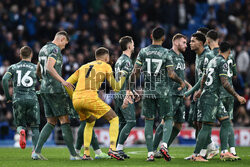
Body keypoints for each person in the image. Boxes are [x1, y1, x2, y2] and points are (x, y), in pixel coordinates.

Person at [123, 27, 185, 161]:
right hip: (164, 91)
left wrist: (129, 89)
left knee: (149, 121)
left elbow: (135, 72)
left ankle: (150, 153)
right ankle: (164, 145)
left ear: (151, 36)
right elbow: (171, 74)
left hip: (149, 91)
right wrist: (181, 81)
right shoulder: (166, 53)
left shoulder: (143, 52)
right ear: (163, 38)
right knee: (168, 118)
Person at [65, 47, 126, 160]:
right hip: (90, 98)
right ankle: (113, 148)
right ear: (106, 57)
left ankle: (86, 154)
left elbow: (67, 83)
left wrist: (73, 96)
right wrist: (123, 76)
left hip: (76, 100)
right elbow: (116, 88)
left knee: (90, 122)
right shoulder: (106, 66)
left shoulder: (83, 67)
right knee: (114, 119)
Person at [190, 42, 246, 162]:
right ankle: (196, 155)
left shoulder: (212, 60)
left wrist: (200, 90)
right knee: (206, 127)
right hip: (211, 98)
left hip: (212, 96)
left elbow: (204, 77)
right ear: (230, 52)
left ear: (219, 50)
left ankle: (224, 152)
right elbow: (225, 83)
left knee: (226, 121)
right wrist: (237, 96)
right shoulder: (222, 62)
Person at [32, 31, 81, 160]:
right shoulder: (55, 49)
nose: (64, 47)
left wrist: (43, 82)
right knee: (64, 120)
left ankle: (36, 152)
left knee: (51, 121)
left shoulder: (43, 49)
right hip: (55, 90)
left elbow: (38, 69)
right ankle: (73, 154)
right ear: (62, 39)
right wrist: (63, 81)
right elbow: (49, 67)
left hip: (44, 90)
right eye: (65, 44)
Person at [152, 33, 192, 158]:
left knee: (179, 124)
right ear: (176, 42)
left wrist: (188, 85)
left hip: (179, 94)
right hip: (169, 93)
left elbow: (179, 74)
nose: (186, 45)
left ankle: (164, 149)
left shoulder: (180, 57)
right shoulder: (168, 55)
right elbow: (168, 74)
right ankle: (153, 150)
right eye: (184, 42)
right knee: (165, 120)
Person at [184, 32, 218, 160]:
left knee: (202, 123)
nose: (190, 43)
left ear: (201, 42)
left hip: (207, 94)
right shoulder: (198, 56)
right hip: (199, 93)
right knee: (194, 122)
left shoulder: (207, 56)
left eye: (193, 41)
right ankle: (210, 147)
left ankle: (201, 152)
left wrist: (191, 92)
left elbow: (203, 79)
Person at [2, 46, 40, 155]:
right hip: (32, 98)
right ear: (31, 55)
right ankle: (35, 152)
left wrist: (8, 97)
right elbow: (43, 82)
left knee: (20, 125)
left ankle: (21, 132)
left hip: (18, 98)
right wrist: (39, 92)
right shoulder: (35, 67)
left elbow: (4, 80)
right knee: (35, 127)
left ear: (20, 55)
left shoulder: (13, 67)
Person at [114, 36, 137, 159]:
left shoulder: (119, 60)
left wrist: (133, 92)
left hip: (117, 94)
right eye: (132, 44)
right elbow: (123, 80)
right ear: (129, 46)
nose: (134, 46)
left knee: (123, 122)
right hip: (123, 94)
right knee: (131, 121)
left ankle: (116, 149)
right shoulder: (127, 61)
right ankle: (118, 149)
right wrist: (127, 95)